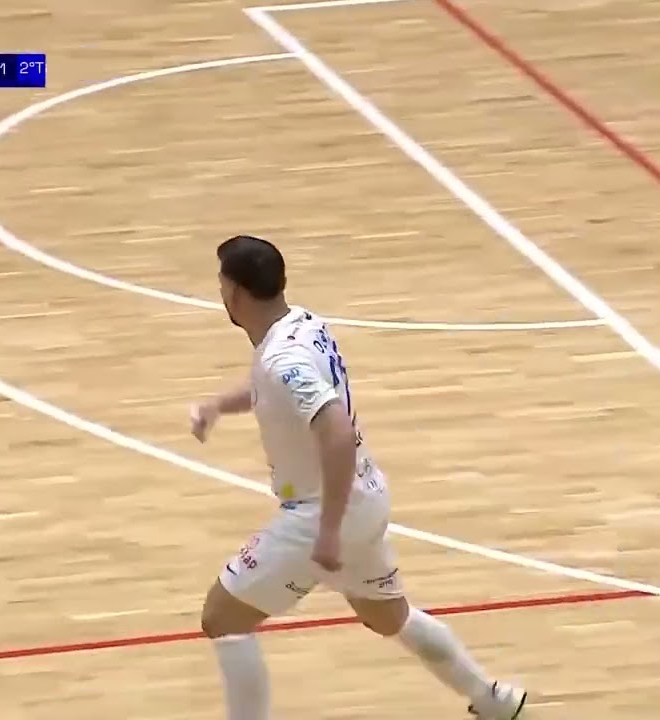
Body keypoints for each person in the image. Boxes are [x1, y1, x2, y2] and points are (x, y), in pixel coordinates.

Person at [189, 235, 527, 720]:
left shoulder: (283, 360)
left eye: (222, 285)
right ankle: (493, 698)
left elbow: (337, 434)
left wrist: (327, 531)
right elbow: (273, 388)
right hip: (364, 498)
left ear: (236, 294)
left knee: (223, 617)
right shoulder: (302, 324)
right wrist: (218, 405)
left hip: (322, 512)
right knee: (388, 616)